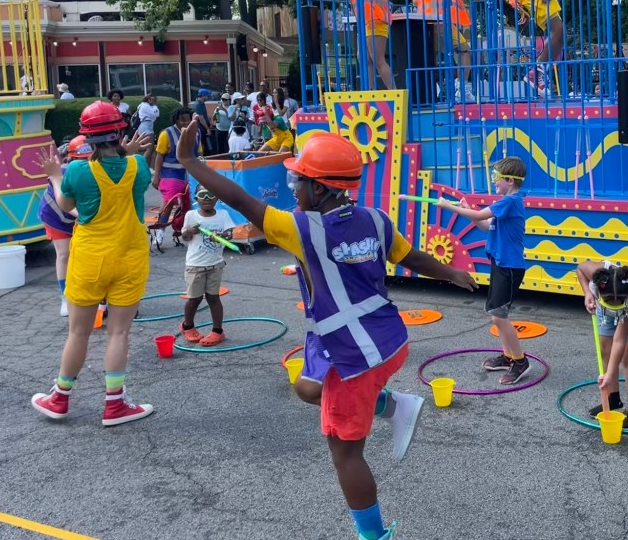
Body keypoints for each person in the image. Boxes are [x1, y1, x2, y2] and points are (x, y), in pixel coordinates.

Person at [176, 126, 476, 540]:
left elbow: (240, 200)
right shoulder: (375, 219)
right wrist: (452, 274)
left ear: (320, 189)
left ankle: (374, 536)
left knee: (345, 455)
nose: (293, 188)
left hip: (354, 356)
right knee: (306, 388)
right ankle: (393, 404)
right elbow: (414, 258)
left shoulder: (302, 228)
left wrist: (191, 163)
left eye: (297, 180)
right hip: (385, 339)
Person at [32, 101, 155, 427]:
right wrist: (128, 153)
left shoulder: (77, 170)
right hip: (129, 258)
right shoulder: (138, 166)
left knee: (78, 332)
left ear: (85, 137)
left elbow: (65, 204)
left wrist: (56, 176)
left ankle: (59, 398)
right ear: (121, 132)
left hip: (89, 259)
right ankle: (114, 405)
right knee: (119, 332)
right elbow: (134, 177)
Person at [438, 157, 531, 385]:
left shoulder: (510, 201)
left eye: (496, 178)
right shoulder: (506, 204)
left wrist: (447, 206)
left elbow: (481, 216)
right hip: (501, 264)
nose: (494, 182)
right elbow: (484, 225)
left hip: (509, 267)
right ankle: (508, 356)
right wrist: (465, 210)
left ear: (509, 180)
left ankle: (520, 361)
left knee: (499, 317)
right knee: (496, 315)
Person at [576, 260, 628, 431]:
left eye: (618, 301)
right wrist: (587, 292)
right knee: (605, 351)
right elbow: (580, 269)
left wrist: (609, 373)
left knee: (627, 358)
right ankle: (613, 399)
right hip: (603, 306)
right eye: (611, 300)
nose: (615, 303)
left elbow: (620, 339)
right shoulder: (596, 275)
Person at [414, 0, 478, 102]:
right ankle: (462, 90)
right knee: (465, 51)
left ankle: (433, 88)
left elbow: (415, 0)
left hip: (426, 24)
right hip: (442, 22)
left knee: (432, 57)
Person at [38, 136, 93, 317]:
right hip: (56, 215)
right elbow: (67, 204)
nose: (86, 162)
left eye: (90, 158)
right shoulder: (62, 173)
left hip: (79, 215)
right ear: (71, 158)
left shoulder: (97, 171)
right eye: (81, 159)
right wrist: (87, 216)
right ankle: (65, 298)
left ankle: (90, 295)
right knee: (64, 253)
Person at [178, 186, 235, 347]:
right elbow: (184, 236)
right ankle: (187, 326)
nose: (207, 198)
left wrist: (221, 237)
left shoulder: (223, 215)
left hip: (215, 264)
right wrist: (191, 230)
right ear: (196, 198)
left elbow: (229, 234)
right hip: (195, 265)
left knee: (213, 297)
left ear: (217, 198)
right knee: (194, 299)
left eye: (211, 195)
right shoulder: (191, 215)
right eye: (203, 195)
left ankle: (218, 331)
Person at [152, 108, 202, 245]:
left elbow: (199, 154)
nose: (185, 123)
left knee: (192, 205)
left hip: (191, 174)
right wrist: (156, 176)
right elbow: (159, 156)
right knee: (169, 202)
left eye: (188, 119)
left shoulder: (197, 132)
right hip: (171, 174)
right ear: (176, 120)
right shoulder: (166, 134)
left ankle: (186, 231)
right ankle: (159, 232)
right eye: (182, 120)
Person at [192, 88, 215, 155]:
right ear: (203, 96)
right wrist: (207, 129)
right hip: (200, 128)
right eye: (207, 96)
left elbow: (204, 115)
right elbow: (201, 119)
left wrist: (209, 118)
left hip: (203, 127)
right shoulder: (198, 105)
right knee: (202, 144)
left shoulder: (202, 104)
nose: (208, 97)